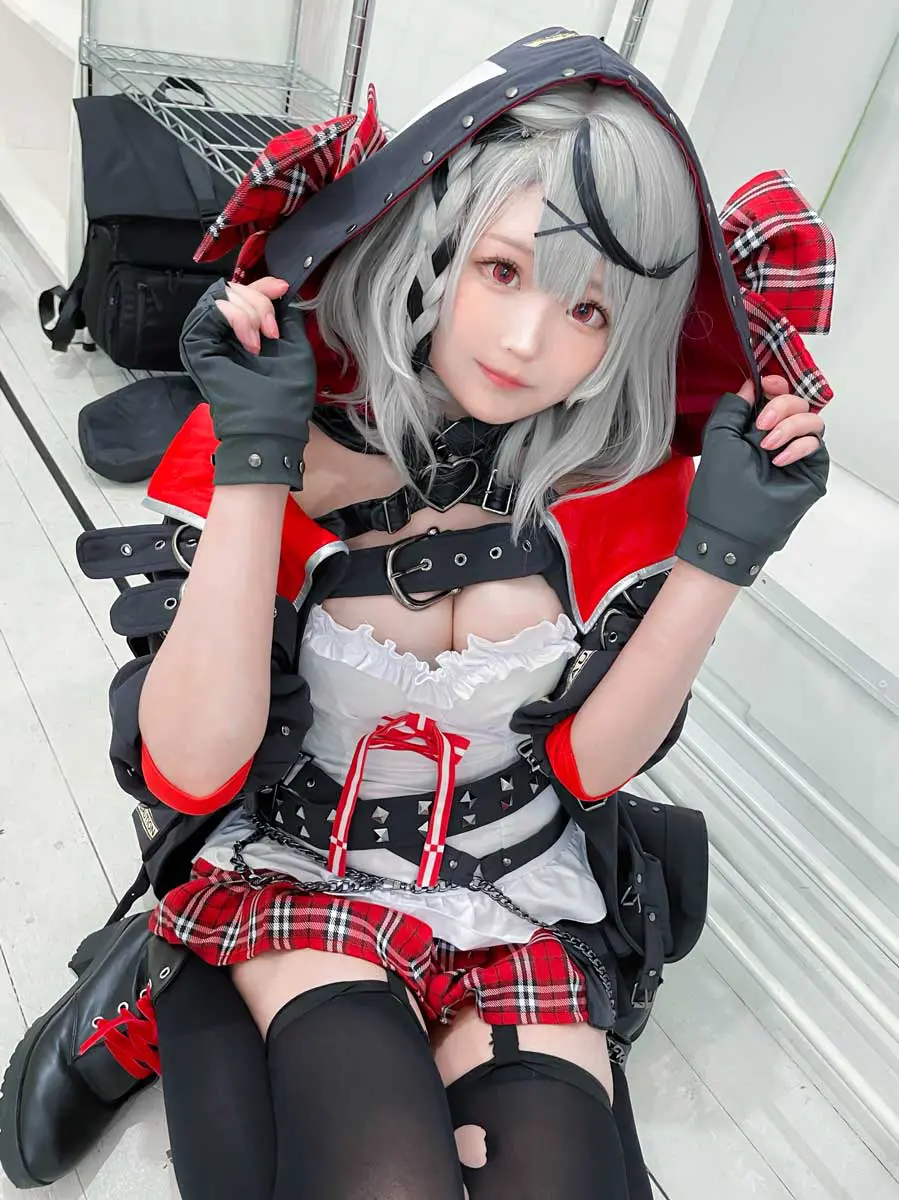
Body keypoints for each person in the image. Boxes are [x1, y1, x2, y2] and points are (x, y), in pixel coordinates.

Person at [0, 27, 834, 1200]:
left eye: (590, 311)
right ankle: (150, 970)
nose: (528, 342)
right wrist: (254, 454)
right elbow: (189, 767)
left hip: (518, 887)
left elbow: (588, 767)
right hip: (304, 866)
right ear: (436, 244)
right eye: (501, 271)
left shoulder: (624, 484)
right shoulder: (292, 425)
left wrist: (722, 556)